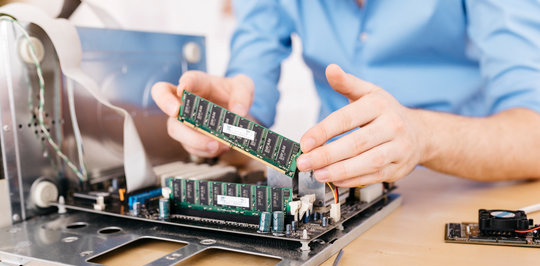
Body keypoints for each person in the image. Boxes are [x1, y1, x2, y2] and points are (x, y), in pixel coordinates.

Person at [152, 0, 540, 188]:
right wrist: (223, 127)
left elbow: (533, 136)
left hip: (466, 192)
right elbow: (246, 108)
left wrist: (423, 136)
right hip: (337, 199)